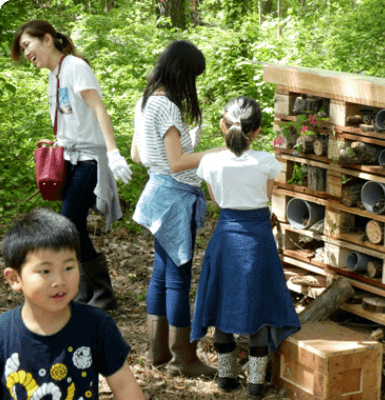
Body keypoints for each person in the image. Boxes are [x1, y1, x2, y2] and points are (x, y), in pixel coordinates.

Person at [10, 20, 133, 311]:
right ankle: (94, 293)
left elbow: (97, 108)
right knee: (73, 227)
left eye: (27, 45)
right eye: (22, 49)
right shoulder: (54, 75)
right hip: (69, 159)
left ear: (48, 39)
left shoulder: (76, 67)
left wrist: (113, 153)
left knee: (66, 226)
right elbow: (70, 115)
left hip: (89, 160)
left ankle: (96, 292)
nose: (26, 53)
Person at [190, 96, 301, 398]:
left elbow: (216, 201)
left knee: (222, 303)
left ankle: (226, 378)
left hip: (226, 238)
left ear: (222, 126)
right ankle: (255, 384)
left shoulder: (210, 162)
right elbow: (266, 196)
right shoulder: (267, 162)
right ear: (258, 130)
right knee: (259, 307)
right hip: (258, 241)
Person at [130, 40, 220, 378]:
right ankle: (183, 357)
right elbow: (178, 161)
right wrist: (215, 152)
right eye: (192, 76)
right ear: (182, 71)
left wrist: (183, 148)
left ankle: (158, 353)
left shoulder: (145, 101)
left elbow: (138, 155)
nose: (192, 85)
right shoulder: (166, 106)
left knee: (161, 274)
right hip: (174, 199)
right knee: (178, 279)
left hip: (157, 191)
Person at [1, 208, 145, 400]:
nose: (59, 280)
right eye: (45, 271)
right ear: (14, 278)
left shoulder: (96, 325)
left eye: (68, 267)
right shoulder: (3, 333)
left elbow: (125, 385)